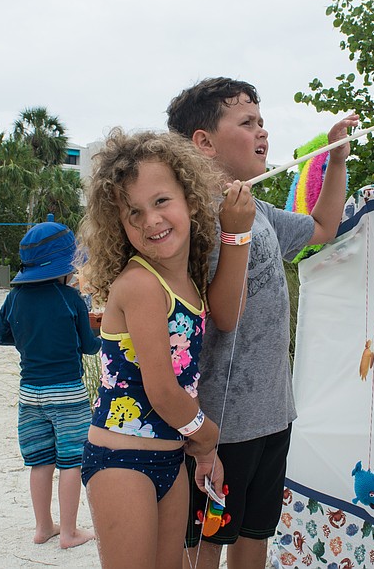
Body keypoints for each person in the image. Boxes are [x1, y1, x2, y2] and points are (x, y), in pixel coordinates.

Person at [166, 77, 359, 569]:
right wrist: (235, 232)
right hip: (218, 426)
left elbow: (322, 227)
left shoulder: (257, 208)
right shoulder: (187, 221)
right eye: (247, 122)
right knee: (205, 544)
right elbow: (222, 316)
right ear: (203, 143)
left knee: (256, 535)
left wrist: (335, 160)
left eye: (262, 122)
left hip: (274, 414)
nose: (263, 133)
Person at [76, 129, 254, 568]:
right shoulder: (140, 284)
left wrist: (237, 235)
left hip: (171, 457)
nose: (150, 220)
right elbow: (162, 390)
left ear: (191, 200)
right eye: (132, 212)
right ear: (117, 224)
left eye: (161, 202)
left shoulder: (187, 283)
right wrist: (209, 440)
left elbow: (228, 313)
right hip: (121, 461)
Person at [0, 219, 101, 549]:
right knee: (71, 462)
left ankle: (43, 527)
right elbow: (89, 347)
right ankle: (69, 532)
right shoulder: (71, 298)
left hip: (29, 392)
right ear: (66, 265)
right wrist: (98, 329)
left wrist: (30, 340)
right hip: (67, 391)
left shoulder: (16, 297)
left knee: (40, 461)